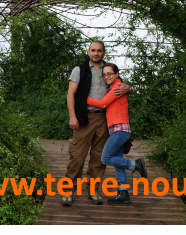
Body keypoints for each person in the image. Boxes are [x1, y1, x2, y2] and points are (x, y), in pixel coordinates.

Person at [62, 41, 131, 206]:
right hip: (85, 117)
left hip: (105, 119)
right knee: (77, 156)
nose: (96, 53)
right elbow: (71, 94)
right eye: (93, 50)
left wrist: (128, 87)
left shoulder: (109, 69)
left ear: (104, 53)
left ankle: (93, 191)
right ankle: (67, 192)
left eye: (99, 51)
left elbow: (120, 85)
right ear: (88, 51)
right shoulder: (80, 69)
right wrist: (72, 116)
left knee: (99, 158)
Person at [86, 63, 148, 204]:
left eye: (110, 73)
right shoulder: (115, 87)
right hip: (117, 130)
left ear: (117, 74)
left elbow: (102, 103)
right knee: (118, 164)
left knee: (106, 159)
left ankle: (135, 165)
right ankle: (123, 193)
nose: (107, 76)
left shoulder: (117, 86)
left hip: (120, 130)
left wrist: (84, 98)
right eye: (105, 74)